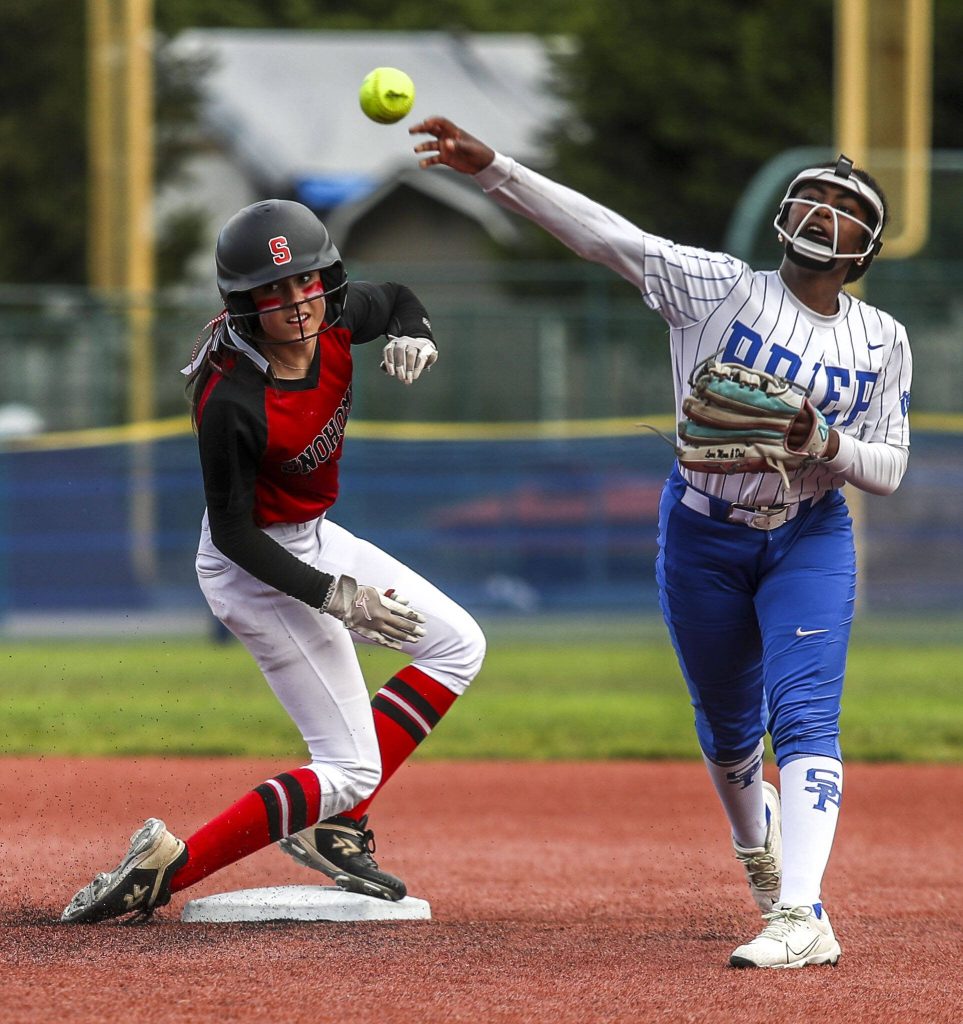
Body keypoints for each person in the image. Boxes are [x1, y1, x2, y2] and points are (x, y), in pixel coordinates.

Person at [410, 118, 911, 969]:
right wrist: (493, 169)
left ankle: (801, 913)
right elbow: (604, 235)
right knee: (725, 728)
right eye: (814, 198)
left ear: (862, 251)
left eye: (845, 208)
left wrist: (821, 442)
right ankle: (757, 849)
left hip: (808, 534)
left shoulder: (882, 339)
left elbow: (890, 467)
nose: (824, 213)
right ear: (784, 214)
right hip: (701, 532)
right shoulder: (715, 287)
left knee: (804, 717)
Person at [61, 198, 486, 923]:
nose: (296, 302)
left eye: (307, 282)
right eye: (273, 290)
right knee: (346, 767)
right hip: (252, 570)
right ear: (242, 303)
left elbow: (401, 299)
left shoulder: (339, 312)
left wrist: (417, 333)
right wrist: (334, 597)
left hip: (311, 534)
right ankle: (164, 870)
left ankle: (334, 826)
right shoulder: (234, 398)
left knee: (457, 645)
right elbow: (232, 534)